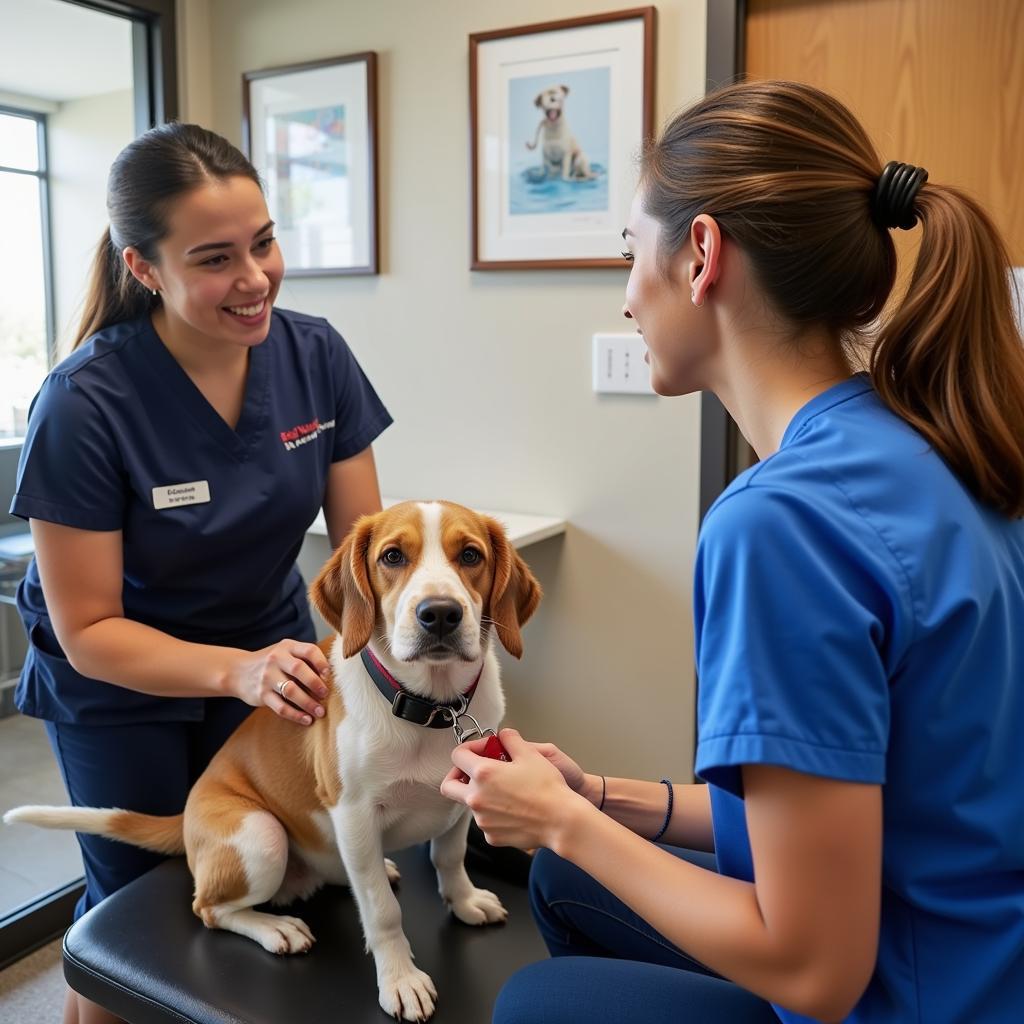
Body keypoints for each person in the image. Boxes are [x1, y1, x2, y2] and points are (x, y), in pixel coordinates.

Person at [441, 80, 1024, 1024]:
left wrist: (562, 820)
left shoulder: (780, 524)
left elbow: (814, 972)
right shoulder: (940, 440)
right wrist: (593, 797)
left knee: (535, 1001)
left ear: (701, 254)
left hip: (907, 996)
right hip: (983, 947)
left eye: (632, 255)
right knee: (561, 878)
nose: (628, 296)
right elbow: (850, 801)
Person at [10, 123, 392, 1024]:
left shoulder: (316, 356)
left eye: (263, 242)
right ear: (144, 268)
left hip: (268, 659)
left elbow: (364, 566)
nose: (255, 278)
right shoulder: (85, 402)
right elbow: (90, 629)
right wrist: (239, 668)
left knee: (286, 887)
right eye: (216, 259)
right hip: (121, 688)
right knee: (139, 925)